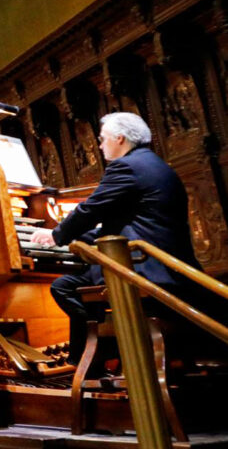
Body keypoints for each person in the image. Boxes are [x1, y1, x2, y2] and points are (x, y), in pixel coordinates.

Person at [30, 112, 200, 364]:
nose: (99, 146)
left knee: (67, 287)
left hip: (141, 269)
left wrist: (57, 235)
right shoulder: (157, 165)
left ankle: (94, 355)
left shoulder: (126, 167)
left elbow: (90, 209)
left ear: (119, 138)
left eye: (103, 139)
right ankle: (91, 357)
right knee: (68, 286)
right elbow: (129, 226)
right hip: (164, 266)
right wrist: (65, 239)